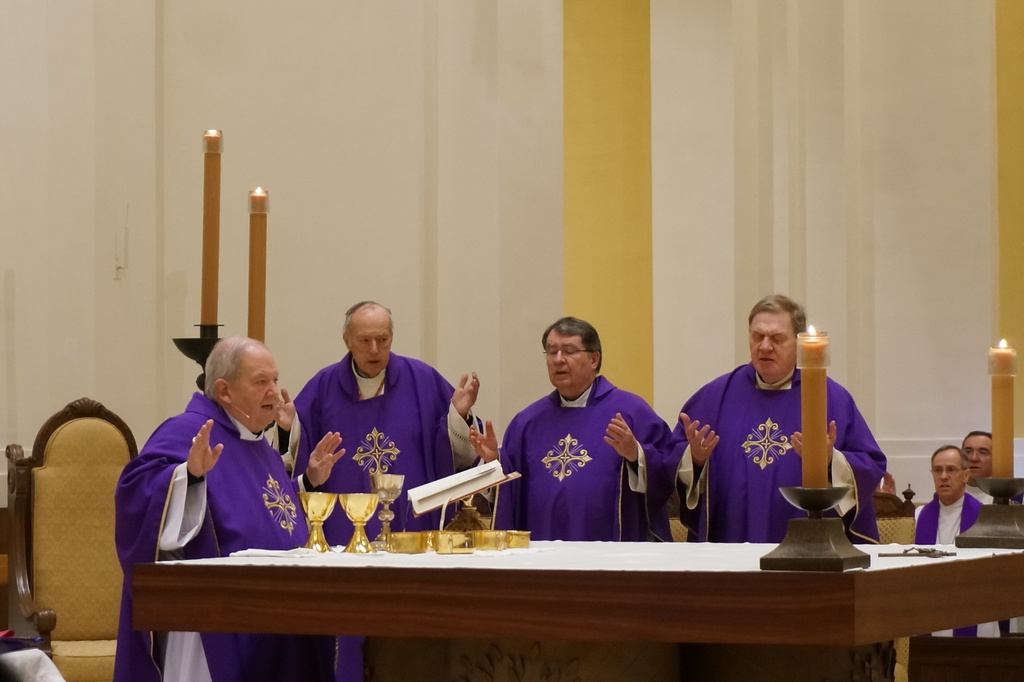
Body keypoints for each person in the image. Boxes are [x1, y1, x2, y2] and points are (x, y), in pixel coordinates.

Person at [113, 337, 345, 682]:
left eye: (275, 380)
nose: (274, 392)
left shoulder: (256, 442)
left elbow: (262, 509)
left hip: (278, 615)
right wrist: (187, 477)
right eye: (261, 382)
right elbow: (134, 496)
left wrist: (306, 482)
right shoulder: (188, 431)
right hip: (214, 624)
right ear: (224, 390)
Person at [675, 294, 887, 543]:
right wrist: (695, 460)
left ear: (798, 344)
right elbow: (669, 456)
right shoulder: (715, 397)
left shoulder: (832, 400)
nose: (764, 346)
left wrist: (831, 461)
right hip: (731, 540)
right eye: (757, 336)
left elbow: (870, 464)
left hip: (810, 552)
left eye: (776, 338)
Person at [468, 316, 681, 541]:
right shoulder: (527, 423)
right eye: (552, 352)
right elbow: (509, 495)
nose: (559, 359)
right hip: (541, 553)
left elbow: (668, 474)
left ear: (594, 359)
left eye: (569, 351)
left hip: (611, 555)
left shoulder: (632, 412)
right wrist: (494, 462)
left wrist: (636, 455)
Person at [286, 301, 482, 544]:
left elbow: (457, 453)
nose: (375, 349)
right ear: (347, 341)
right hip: (343, 529)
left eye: (383, 339)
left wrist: (458, 416)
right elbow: (298, 458)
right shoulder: (322, 387)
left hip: (414, 527)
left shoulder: (423, 380)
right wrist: (288, 428)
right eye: (365, 340)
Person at [914, 444, 997, 637]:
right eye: (937, 470)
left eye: (951, 470)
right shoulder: (921, 516)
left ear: (966, 475)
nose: (943, 476)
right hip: (931, 607)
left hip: (974, 609)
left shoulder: (983, 516)